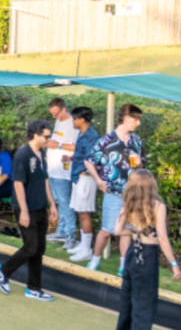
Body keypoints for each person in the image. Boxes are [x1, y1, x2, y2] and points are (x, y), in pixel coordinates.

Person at [0, 120, 58, 302]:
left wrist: (52, 204)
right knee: (31, 247)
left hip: (40, 207)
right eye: (46, 136)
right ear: (35, 135)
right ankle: (3, 270)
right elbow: (18, 184)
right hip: (26, 208)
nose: (49, 139)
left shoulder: (43, 154)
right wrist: (23, 211)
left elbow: (45, 180)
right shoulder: (22, 155)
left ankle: (34, 288)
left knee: (39, 249)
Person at [115, 170, 181, 330]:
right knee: (144, 305)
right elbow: (162, 238)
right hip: (147, 256)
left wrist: (135, 231)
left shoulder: (128, 204)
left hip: (132, 254)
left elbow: (117, 230)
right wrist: (174, 264)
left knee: (127, 301)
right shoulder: (158, 207)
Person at [85, 103, 146, 275]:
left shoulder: (136, 140)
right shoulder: (107, 140)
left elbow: (141, 165)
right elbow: (89, 160)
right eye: (137, 120)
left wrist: (138, 162)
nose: (138, 123)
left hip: (133, 194)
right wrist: (98, 180)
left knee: (126, 231)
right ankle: (95, 260)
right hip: (113, 193)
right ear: (126, 119)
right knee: (107, 230)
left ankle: (123, 266)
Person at [67, 107, 101, 262]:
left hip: (85, 179)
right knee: (80, 211)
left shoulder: (91, 136)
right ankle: (82, 245)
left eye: (74, 118)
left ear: (82, 119)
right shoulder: (82, 134)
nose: (72, 121)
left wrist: (84, 171)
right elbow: (82, 155)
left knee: (84, 212)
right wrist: (72, 159)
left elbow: (93, 158)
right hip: (77, 177)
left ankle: (87, 249)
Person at [45, 97, 79, 249]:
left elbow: (76, 147)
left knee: (65, 203)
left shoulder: (72, 124)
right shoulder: (59, 121)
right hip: (53, 169)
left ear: (63, 110)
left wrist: (58, 146)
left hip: (62, 170)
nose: (54, 116)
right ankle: (62, 231)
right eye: (52, 114)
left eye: (56, 113)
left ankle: (71, 235)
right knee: (59, 201)